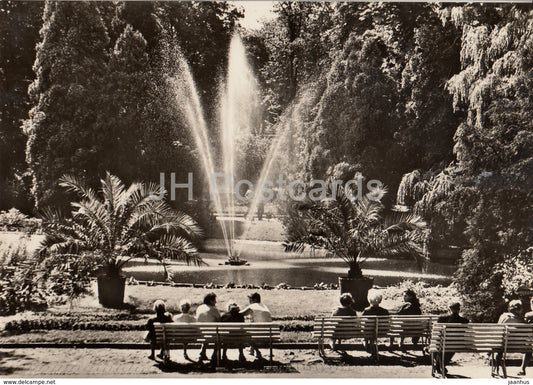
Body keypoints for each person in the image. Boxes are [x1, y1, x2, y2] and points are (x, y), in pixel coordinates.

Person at [434, 302, 469, 374]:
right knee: (453, 346)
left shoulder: (442, 319)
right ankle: (442, 365)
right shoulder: (465, 321)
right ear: (459, 310)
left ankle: (440, 364)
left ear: (450, 309)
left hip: (443, 343)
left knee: (442, 346)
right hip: (457, 344)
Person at [496, 300, 528, 376]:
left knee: (499, 346)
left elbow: (498, 330)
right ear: (519, 309)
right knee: (528, 349)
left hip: (504, 346)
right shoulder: (522, 321)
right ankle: (522, 369)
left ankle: (496, 369)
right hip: (520, 347)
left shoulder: (503, 317)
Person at [240, 292, 272, 359]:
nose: (249, 301)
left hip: (257, 334)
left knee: (245, 333)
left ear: (254, 300)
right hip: (268, 334)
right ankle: (252, 350)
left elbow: (240, 314)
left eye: (250, 300)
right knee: (253, 331)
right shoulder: (265, 307)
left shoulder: (252, 306)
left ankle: (257, 351)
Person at [362, 291, 389, 357]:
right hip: (382, 331)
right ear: (380, 300)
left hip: (368, 332)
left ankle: (366, 342)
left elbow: (362, 322)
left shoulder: (366, 311)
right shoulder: (384, 311)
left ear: (369, 300)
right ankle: (371, 343)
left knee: (367, 330)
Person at [196, 292, 221, 361]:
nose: (216, 301)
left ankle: (202, 352)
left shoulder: (199, 308)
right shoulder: (214, 309)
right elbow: (219, 321)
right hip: (212, 333)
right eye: (214, 300)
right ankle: (214, 354)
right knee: (218, 333)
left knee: (208, 332)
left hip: (200, 333)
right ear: (210, 300)